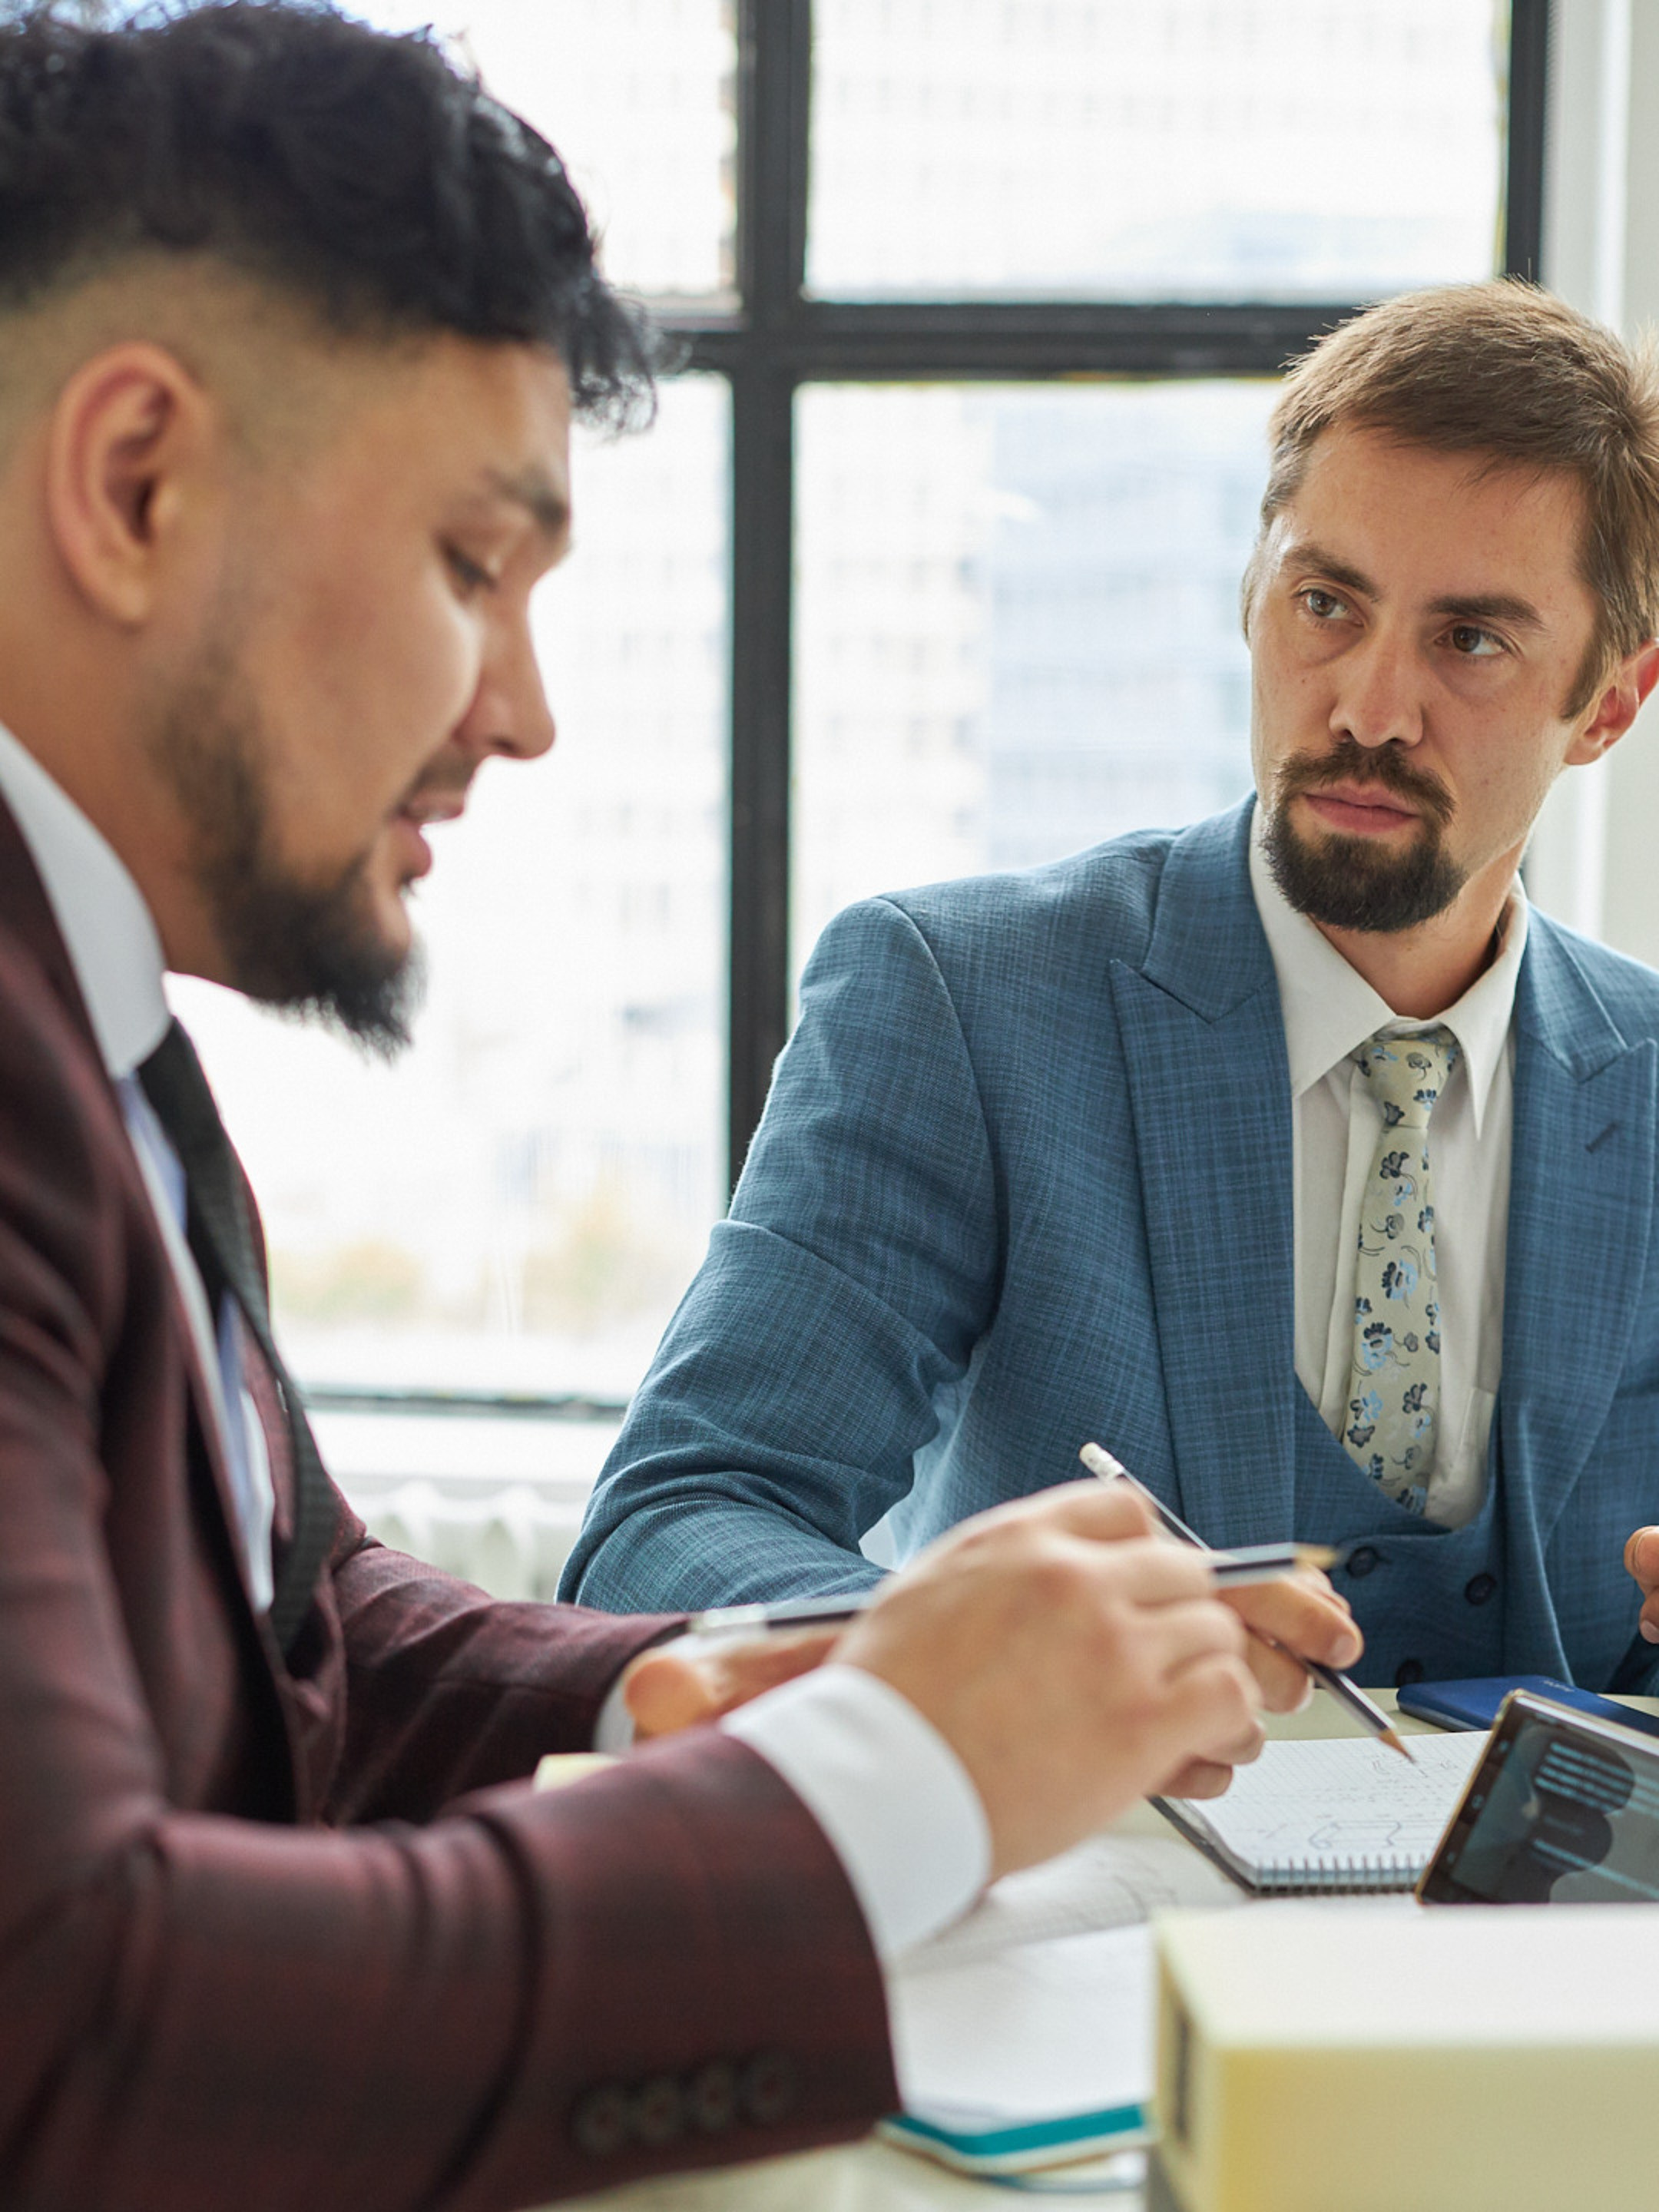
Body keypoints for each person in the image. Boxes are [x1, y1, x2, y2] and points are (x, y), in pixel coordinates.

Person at [0, 6, 1369, 2207]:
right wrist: (887, 1774)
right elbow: (74, 2028)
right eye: (472, 566)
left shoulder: (100, 1026)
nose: (524, 715)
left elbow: (315, 1626)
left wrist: (780, 1671)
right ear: (136, 480)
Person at [566, 278, 1659, 1703]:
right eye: (1325, 604)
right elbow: (668, 1528)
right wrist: (985, 1663)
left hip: (1544, 1925)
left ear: (1609, 705)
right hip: (1081, 1910)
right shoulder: (958, 1004)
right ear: (1253, 595)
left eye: (1469, 641)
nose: (1369, 709)